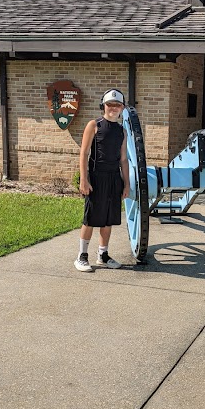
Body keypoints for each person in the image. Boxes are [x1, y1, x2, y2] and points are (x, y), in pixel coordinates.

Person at [74, 88, 130, 272]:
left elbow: (123, 159)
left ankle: (103, 255)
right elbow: (84, 153)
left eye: (117, 105)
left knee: (108, 219)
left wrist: (126, 183)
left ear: (122, 107)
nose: (113, 108)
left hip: (114, 178)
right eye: (110, 104)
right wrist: (84, 179)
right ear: (103, 106)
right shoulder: (94, 125)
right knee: (91, 218)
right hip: (96, 177)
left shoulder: (122, 131)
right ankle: (82, 256)